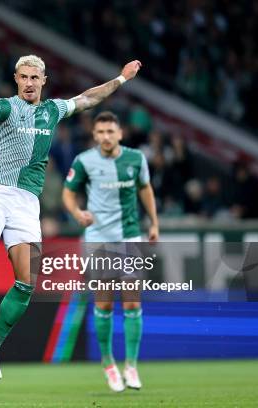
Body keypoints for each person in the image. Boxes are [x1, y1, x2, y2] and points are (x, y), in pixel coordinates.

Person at [0, 54, 142, 379]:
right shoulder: (6, 106)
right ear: (16, 79)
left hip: (26, 203)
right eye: (23, 77)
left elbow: (88, 98)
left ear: (43, 81)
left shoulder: (52, 110)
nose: (29, 83)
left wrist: (121, 79)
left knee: (26, 283)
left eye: (34, 78)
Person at [62, 111, 159, 392]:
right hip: (98, 240)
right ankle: (108, 364)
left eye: (110, 131)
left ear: (120, 134)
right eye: (100, 132)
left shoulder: (135, 159)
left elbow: (146, 189)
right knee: (104, 304)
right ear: (94, 135)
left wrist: (154, 223)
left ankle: (131, 366)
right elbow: (67, 193)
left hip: (129, 237)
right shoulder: (84, 161)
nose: (106, 136)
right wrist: (77, 212)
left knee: (132, 303)